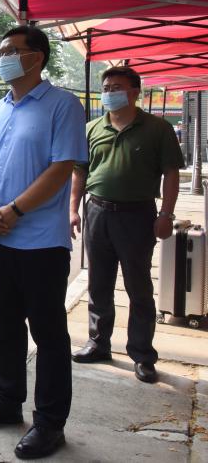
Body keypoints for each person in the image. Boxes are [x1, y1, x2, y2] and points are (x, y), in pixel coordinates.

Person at [0, 26, 86, 460]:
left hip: (40, 242)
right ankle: (8, 400)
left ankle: (49, 423)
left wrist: (14, 210)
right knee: (5, 326)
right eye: (1, 51)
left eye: (12, 50)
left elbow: (61, 168)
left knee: (48, 334)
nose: (3, 57)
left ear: (37, 57)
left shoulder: (63, 105)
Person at [69, 66, 183, 384]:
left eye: (117, 87)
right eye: (106, 88)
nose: (109, 93)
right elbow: (80, 172)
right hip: (98, 212)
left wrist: (167, 215)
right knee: (99, 283)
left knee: (138, 286)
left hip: (138, 215)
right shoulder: (92, 128)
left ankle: (142, 354)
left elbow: (171, 173)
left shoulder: (157, 129)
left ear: (135, 92)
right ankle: (98, 343)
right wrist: (72, 210)